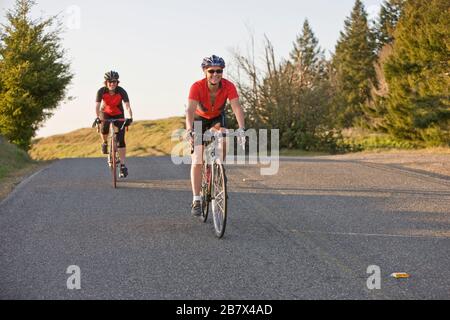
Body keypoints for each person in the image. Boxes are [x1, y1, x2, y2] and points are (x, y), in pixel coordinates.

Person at [186, 55, 246, 216]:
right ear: (205, 71)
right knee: (197, 159)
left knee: (224, 140)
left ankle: (218, 169)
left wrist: (242, 129)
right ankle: (196, 199)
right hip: (199, 120)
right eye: (211, 71)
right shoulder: (197, 86)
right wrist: (189, 130)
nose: (215, 74)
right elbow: (190, 110)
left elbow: (236, 107)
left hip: (217, 119)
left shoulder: (228, 86)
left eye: (219, 71)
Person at [93, 71, 133, 178]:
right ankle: (105, 142)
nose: (112, 83)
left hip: (118, 113)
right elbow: (97, 106)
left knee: (121, 140)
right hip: (105, 113)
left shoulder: (121, 91)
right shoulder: (101, 91)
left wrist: (130, 117)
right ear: (106, 82)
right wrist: (97, 118)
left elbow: (127, 106)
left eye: (114, 81)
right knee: (104, 129)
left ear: (117, 82)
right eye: (110, 81)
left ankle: (123, 166)